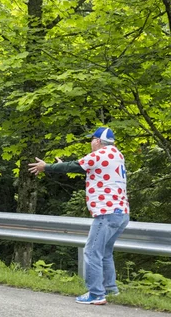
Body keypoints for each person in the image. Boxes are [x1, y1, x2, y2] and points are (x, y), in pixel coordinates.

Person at [28, 127, 129, 305]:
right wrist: (61, 165)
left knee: (91, 252)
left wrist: (47, 167)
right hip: (121, 213)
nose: (91, 143)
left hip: (106, 212)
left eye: (92, 140)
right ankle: (111, 289)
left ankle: (96, 294)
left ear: (97, 141)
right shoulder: (117, 155)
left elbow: (75, 165)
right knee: (105, 252)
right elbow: (83, 168)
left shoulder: (99, 155)